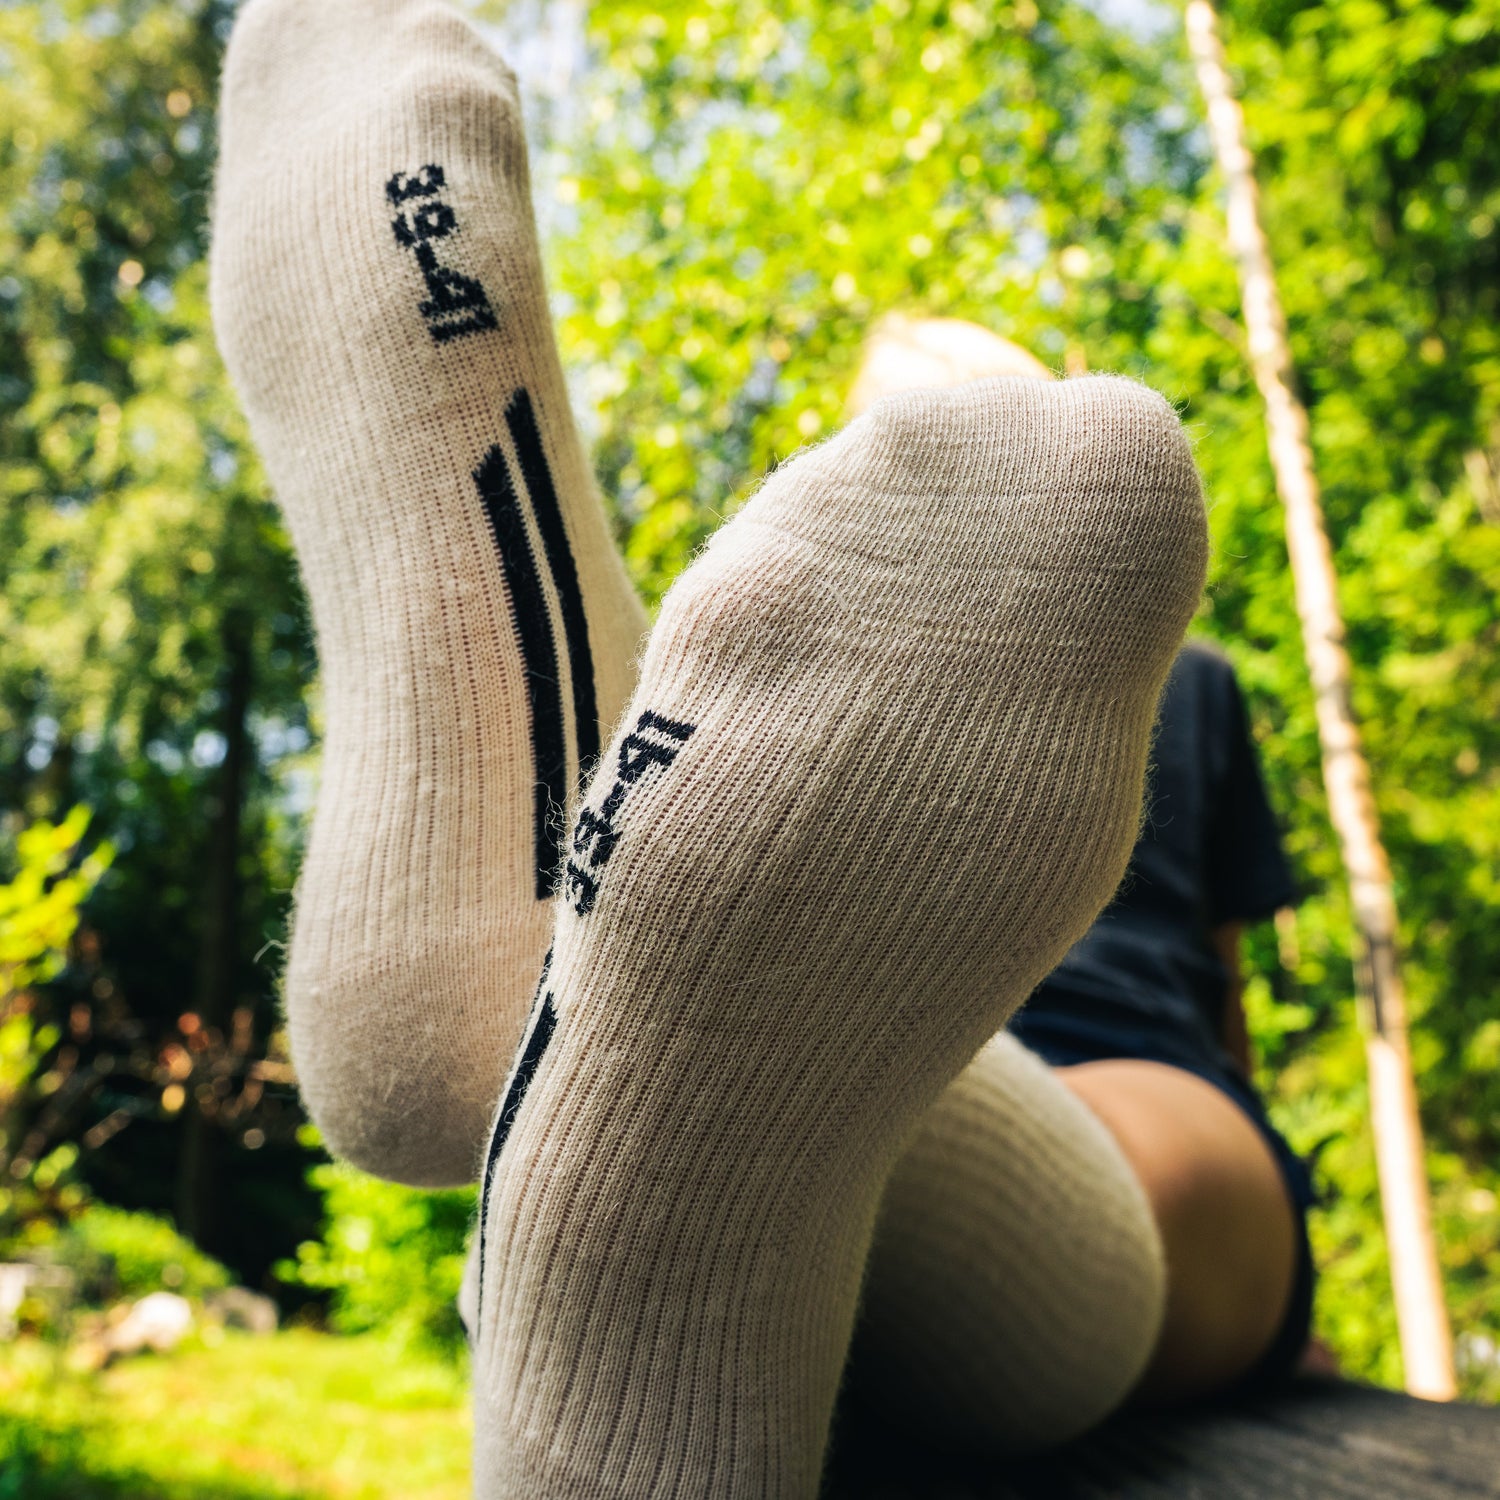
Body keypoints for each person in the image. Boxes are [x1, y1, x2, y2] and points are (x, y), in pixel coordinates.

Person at [208, 2, 1307, 1493]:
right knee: (1120, 1166)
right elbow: (1223, 978)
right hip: (1063, 1092)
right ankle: (637, 954)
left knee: (753, 1023)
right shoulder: (1180, 675)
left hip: (904, 1059)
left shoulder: (798, 655)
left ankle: (539, 842)